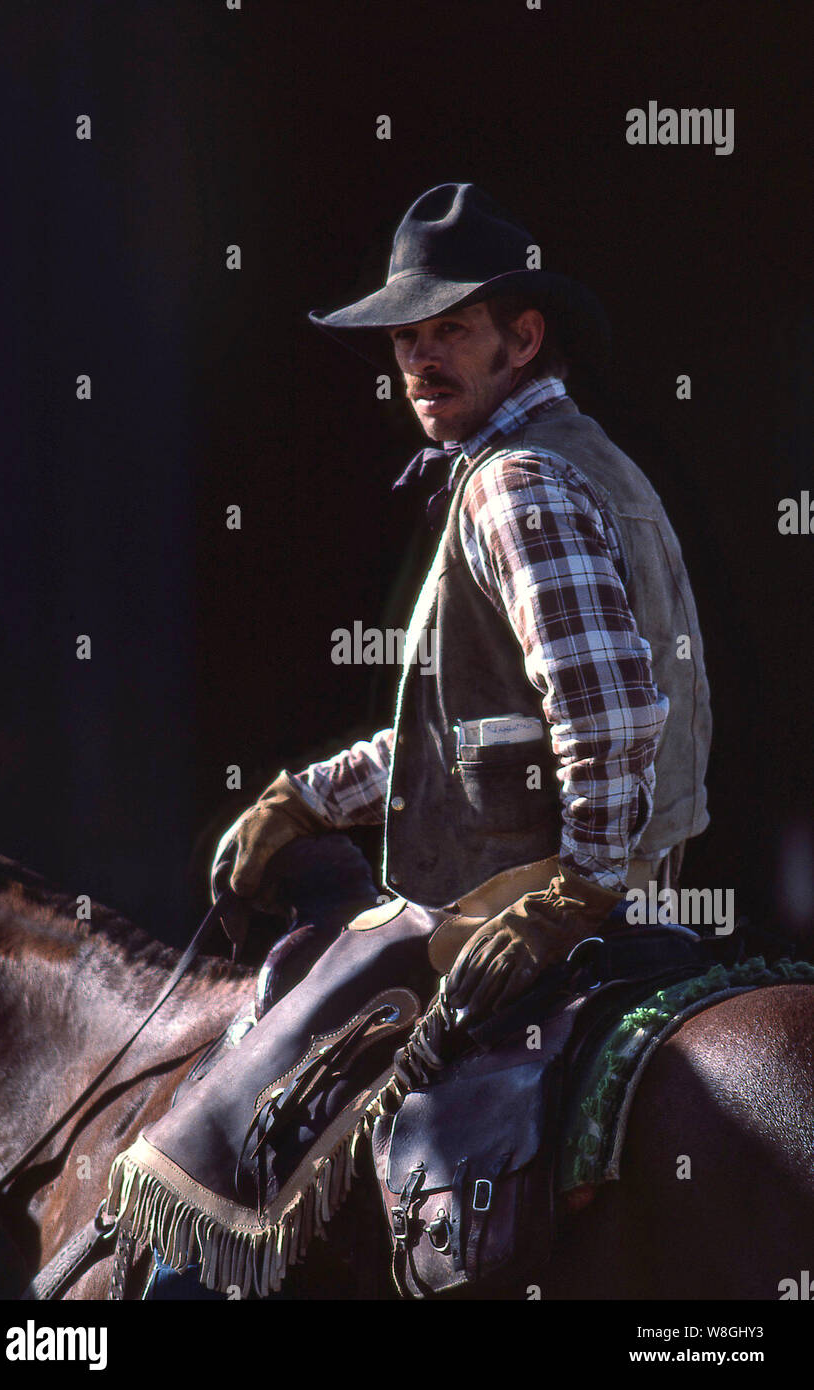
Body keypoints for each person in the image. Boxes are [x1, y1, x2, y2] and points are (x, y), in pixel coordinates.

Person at [121, 184, 712, 1296]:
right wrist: (310, 796)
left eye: (451, 330)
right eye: (407, 336)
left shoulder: (517, 480)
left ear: (522, 338)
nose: (421, 359)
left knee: (219, 1141)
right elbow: (474, 743)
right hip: (583, 889)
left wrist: (574, 891)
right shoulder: (570, 460)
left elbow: (614, 714)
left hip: (507, 909)